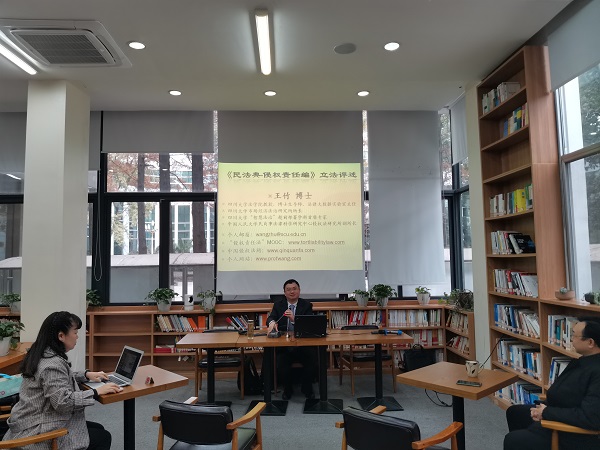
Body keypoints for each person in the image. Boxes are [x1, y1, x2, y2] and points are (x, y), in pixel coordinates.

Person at [3, 311, 122, 450]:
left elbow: (56, 379)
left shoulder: (43, 353)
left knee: (98, 428)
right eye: (75, 332)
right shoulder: (52, 364)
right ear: (61, 336)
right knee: (103, 437)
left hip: (31, 421)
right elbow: (63, 402)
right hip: (36, 433)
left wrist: (86, 374)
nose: (77, 336)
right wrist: (96, 392)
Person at [503, 316, 600, 450]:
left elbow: (589, 417)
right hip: (558, 413)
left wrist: (546, 412)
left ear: (590, 342)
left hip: (572, 435)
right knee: (515, 412)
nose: (571, 339)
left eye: (574, 335)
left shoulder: (596, 372)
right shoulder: (582, 361)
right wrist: (543, 408)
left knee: (513, 440)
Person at [267, 279, 317, 400]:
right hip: (285, 345)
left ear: (299, 290)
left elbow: (309, 324)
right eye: (288, 290)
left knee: (312, 358)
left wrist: (294, 319)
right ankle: (287, 389)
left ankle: (307, 388)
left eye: (294, 289)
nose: (292, 292)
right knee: (281, 361)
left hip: (303, 345)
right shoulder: (278, 305)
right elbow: (271, 318)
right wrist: (272, 322)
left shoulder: (306, 305)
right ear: (284, 293)